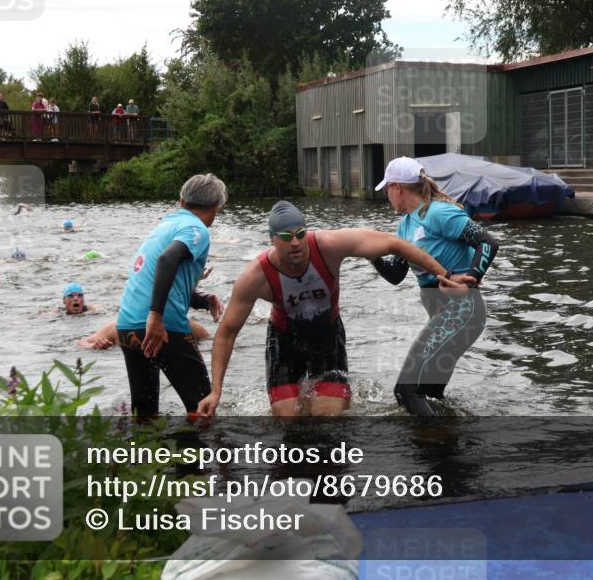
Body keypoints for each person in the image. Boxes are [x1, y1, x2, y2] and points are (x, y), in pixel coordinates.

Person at [195, 201, 471, 419]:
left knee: (328, 419)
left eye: (300, 234)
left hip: (327, 337)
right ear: (272, 240)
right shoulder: (256, 276)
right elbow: (226, 334)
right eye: (286, 237)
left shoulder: (328, 245)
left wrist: (444, 275)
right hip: (284, 342)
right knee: (288, 421)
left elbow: (394, 243)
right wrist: (215, 391)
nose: (295, 243)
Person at [370, 157, 500, 416]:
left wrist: (471, 279)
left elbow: (487, 243)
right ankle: (445, 447)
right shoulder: (405, 226)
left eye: (387, 190)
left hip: (462, 311)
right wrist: (370, 253)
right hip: (444, 315)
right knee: (429, 394)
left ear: (397, 187)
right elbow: (396, 275)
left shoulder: (438, 213)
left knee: (406, 390)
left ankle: (433, 441)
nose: (387, 197)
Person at [116, 173, 227, 416]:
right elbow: (167, 260)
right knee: (203, 407)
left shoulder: (165, 226)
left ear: (181, 202)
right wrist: (155, 317)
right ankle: (204, 454)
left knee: (144, 414)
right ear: (216, 209)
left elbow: (163, 279)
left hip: (126, 326)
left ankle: (144, 453)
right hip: (162, 327)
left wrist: (202, 300)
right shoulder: (197, 228)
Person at [79, 319, 210, 350]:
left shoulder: (178, 323)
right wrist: (94, 346)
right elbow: (81, 343)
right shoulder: (120, 327)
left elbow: (210, 340)